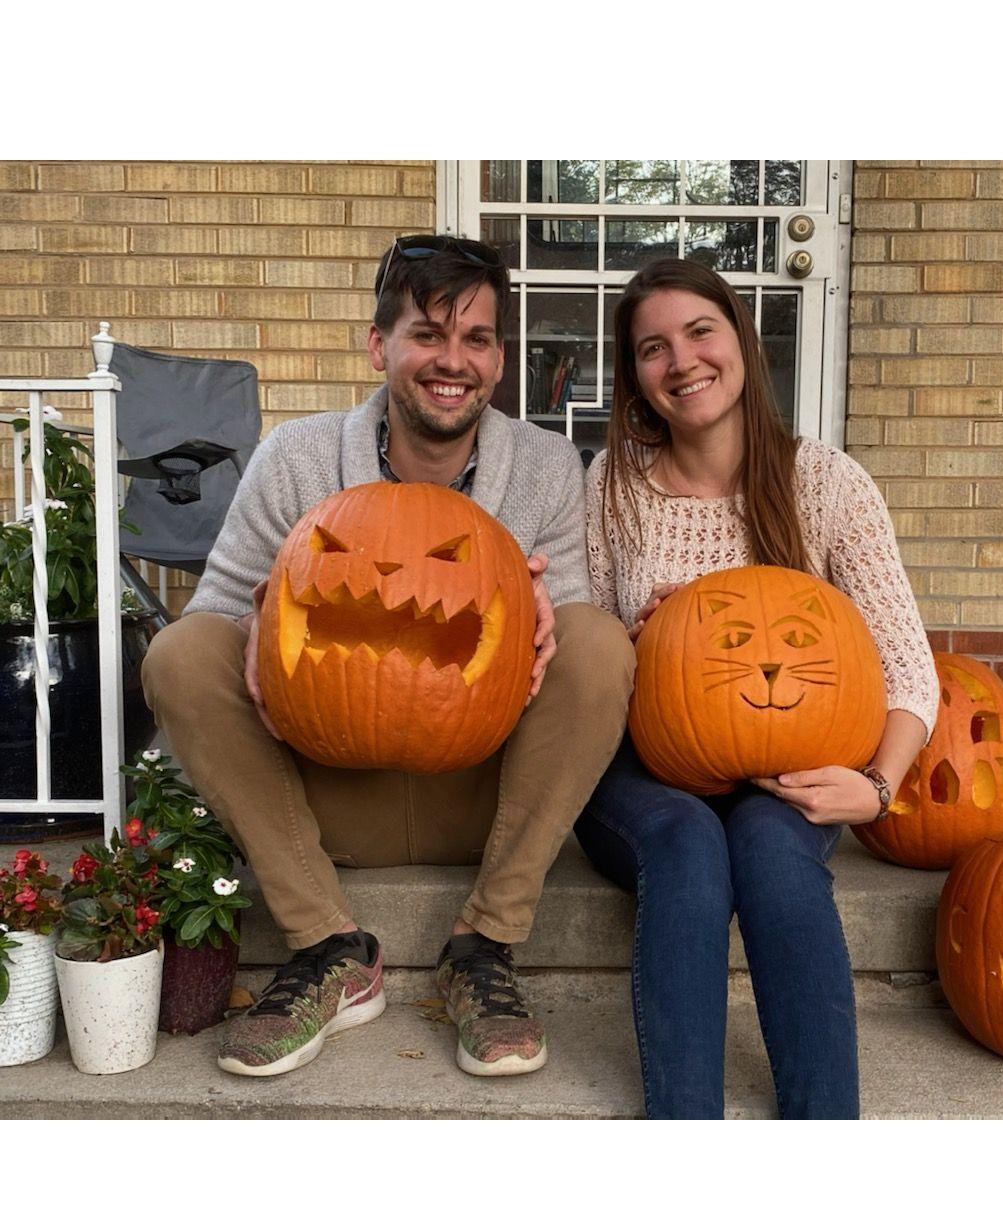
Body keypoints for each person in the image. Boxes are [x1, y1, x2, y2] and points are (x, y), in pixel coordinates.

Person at [141, 235, 635, 1079]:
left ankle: (484, 944)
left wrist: (548, 618)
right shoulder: (295, 459)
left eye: (476, 339)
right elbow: (219, 610)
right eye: (428, 335)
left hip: (481, 793)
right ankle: (329, 945)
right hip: (328, 791)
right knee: (182, 650)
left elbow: (572, 634)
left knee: (597, 641)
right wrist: (258, 620)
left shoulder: (549, 466)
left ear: (499, 358)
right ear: (380, 346)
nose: (453, 361)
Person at [574, 258, 939, 1119]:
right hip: (644, 766)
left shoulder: (827, 483)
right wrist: (637, 639)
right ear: (636, 376)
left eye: (700, 331)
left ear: (739, 338)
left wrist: (877, 785)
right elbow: (577, 659)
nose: (682, 361)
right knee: (689, 849)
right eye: (652, 347)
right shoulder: (612, 486)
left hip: (797, 762)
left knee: (774, 858)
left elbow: (908, 665)